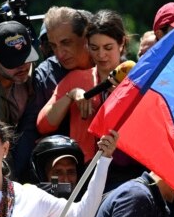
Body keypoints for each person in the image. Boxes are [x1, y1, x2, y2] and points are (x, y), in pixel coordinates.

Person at [13, 7, 93, 179]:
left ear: (86, 36)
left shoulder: (110, 64)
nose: (60, 53)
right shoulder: (46, 74)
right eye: (53, 46)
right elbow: (32, 129)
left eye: (66, 43)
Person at [37, 9, 126, 162]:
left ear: (122, 43)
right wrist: (70, 95)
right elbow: (43, 125)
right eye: (94, 48)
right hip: (86, 168)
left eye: (108, 47)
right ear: (87, 45)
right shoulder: (76, 78)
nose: (101, 55)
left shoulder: (136, 77)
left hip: (127, 166)